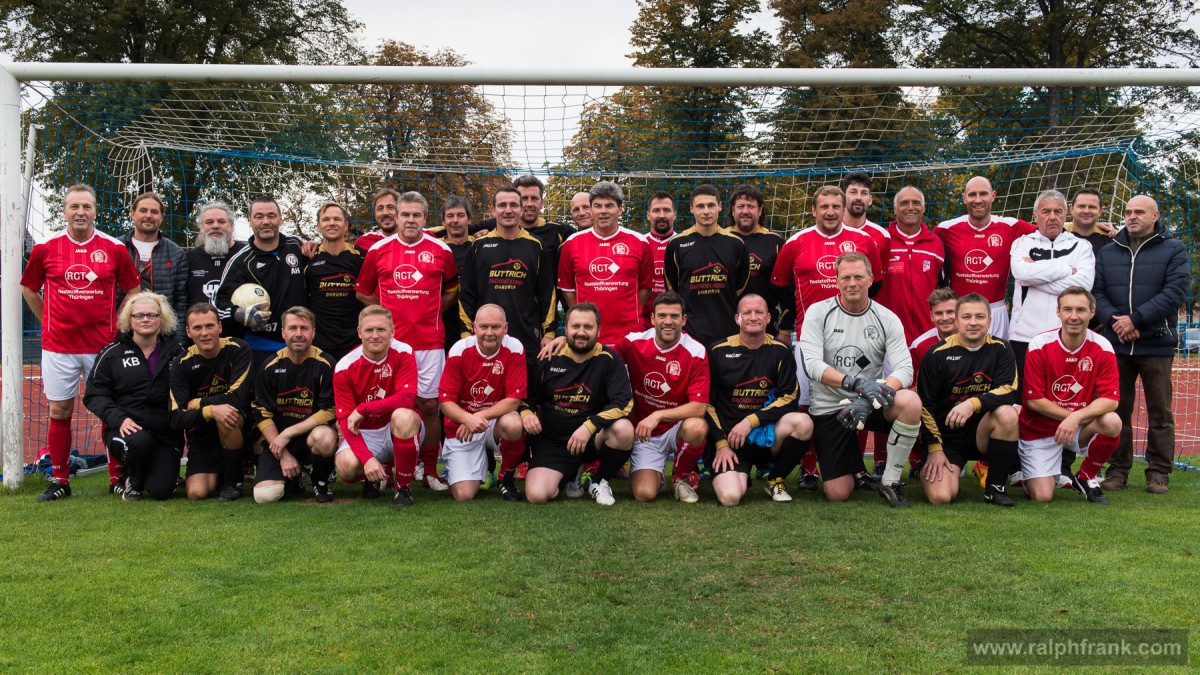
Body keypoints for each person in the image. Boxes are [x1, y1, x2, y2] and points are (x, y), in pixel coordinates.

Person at [21, 184, 141, 501]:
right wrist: (46, 320)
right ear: (64, 211)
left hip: (102, 347)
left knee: (108, 411)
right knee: (60, 410)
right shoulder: (46, 248)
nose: (80, 212)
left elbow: (133, 290)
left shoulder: (113, 248)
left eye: (86, 207)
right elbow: (29, 288)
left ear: (95, 211)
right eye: (74, 206)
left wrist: (119, 325)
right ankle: (59, 479)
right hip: (58, 345)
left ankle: (117, 476)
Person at [770, 185, 882, 489]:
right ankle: (809, 469)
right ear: (814, 210)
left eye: (836, 206)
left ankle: (857, 468)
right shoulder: (796, 243)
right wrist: (791, 322)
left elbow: (877, 283)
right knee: (807, 403)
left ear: (843, 208)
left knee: (857, 398)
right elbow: (781, 287)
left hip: (855, 337)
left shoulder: (864, 241)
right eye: (824, 207)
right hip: (810, 338)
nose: (830, 211)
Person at [798, 252, 922, 508]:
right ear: (836, 281)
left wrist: (869, 397)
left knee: (910, 401)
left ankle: (890, 482)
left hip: (872, 402)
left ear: (870, 279)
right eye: (845, 277)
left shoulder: (887, 317)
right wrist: (855, 384)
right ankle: (852, 466)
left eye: (858, 277)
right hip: (831, 408)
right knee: (837, 492)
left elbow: (905, 370)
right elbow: (812, 366)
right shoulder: (818, 312)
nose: (852, 283)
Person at [355, 190, 459, 492]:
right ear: (396, 217)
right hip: (391, 346)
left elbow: (452, 290)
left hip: (430, 342)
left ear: (425, 219)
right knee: (390, 406)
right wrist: (383, 319)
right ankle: (390, 468)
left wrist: (433, 311)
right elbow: (362, 291)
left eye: (416, 215)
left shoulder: (442, 250)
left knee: (428, 406)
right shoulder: (379, 250)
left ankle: (428, 470)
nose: (410, 220)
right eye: (405, 214)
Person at [1092, 195, 1190, 494]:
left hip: (1156, 343)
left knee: (1160, 412)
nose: (1132, 216)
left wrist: (1136, 320)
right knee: (1117, 410)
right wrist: (1116, 322)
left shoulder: (1174, 249)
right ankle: (1118, 470)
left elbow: (1175, 292)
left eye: (1138, 212)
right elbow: (1096, 292)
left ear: (1155, 216)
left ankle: (1158, 473)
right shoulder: (1110, 251)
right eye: (1127, 212)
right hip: (1117, 344)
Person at [521, 303, 634, 506]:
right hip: (555, 443)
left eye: (588, 327)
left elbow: (623, 403)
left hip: (592, 439)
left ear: (599, 330)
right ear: (567, 329)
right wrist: (526, 413)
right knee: (536, 495)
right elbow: (527, 398)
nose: (581, 332)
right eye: (575, 327)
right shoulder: (548, 357)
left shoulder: (609, 359)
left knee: (624, 430)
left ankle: (599, 480)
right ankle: (571, 473)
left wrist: (589, 426)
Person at [706, 294, 813, 506]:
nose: (753, 317)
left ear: (768, 318)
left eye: (759, 312)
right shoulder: (717, 351)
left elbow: (789, 398)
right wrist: (721, 443)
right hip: (731, 440)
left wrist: (750, 421)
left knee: (803, 423)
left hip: (766, 436)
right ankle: (739, 476)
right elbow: (706, 403)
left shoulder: (781, 352)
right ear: (737, 318)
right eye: (747, 312)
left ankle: (775, 479)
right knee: (730, 498)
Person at [915, 293, 1020, 506]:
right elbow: (925, 406)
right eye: (967, 317)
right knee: (941, 497)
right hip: (947, 440)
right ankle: (950, 472)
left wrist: (972, 403)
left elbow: (1008, 390)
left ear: (989, 321)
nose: (973, 322)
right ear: (957, 320)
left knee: (1008, 414)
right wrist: (935, 448)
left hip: (982, 433)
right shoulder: (936, 353)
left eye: (980, 317)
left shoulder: (1001, 349)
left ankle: (995, 487)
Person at [1018, 287, 1122, 504]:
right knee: (1042, 496)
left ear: (1092, 313)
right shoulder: (1040, 344)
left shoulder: (1102, 346)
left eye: (1081, 310)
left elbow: (1111, 399)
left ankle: (1086, 476)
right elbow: (1034, 400)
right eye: (1068, 309)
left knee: (1112, 421)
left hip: (1077, 427)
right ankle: (1033, 468)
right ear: (1058, 312)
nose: (1074, 316)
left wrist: (1075, 418)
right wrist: (1070, 416)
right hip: (1039, 429)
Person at [83, 292, 186, 501]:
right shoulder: (111, 353)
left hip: (164, 433)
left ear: (161, 318)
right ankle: (133, 479)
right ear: (129, 320)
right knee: (139, 441)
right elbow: (94, 394)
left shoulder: (178, 353)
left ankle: (159, 473)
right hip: (127, 429)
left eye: (151, 315)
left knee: (160, 491)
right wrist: (119, 418)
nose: (145, 319)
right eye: (138, 315)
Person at [610, 292, 710, 503]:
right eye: (662, 315)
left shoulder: (696, 351)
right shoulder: (632, 342)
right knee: (644, 494)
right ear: (653, 318)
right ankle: (655, 476)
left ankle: (681, 477)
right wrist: (563, 340)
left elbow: (699, 407)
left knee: (697, 427)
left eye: (674, 316)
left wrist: (658, 414)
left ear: (683, 320)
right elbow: (600, 359)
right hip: (646, 433)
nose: (668, 322)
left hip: (676, 428)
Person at [459, 186, 556, 380]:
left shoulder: (536, 245)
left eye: (513, 205)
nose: (508, 210)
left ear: (521, 209)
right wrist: (466, 333)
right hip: (486, 336)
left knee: (528, 397)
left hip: (527, 336)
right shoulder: (478, 246)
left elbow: (548, 293)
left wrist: (549, 334)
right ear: (493, 210)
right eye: (502, 205)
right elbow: (466, 294)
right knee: (486, 394)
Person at [332, 305, 425, 506]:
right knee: (346, 466)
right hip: (364, 431)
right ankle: (372, 477)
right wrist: (367, 459)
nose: (375, 335)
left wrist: (363, 409)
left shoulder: (404, 351)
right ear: (359, 333)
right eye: (369, 330)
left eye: (381, 330)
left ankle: (403, 487)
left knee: (404, 415)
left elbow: (407, 399)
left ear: (392, 332)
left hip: (398, 427)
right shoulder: (344, 366)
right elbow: (346, 421)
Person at [438, 304, 528, 502]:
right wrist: (466, 418)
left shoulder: (514, 347)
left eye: (495, 327)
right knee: (464, 495)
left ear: (505, 328)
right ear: (474, 327)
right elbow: (445, 402)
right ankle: (476, 467)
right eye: (484, 327)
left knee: (513, 424)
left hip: (493, 421)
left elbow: (514, 400)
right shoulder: (459, 350)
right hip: (462, 426)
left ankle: (505, 477)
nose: (489, 333)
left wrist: (477, 416)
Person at [250, 307, 338, 504]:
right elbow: (262, 413)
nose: (298, 334)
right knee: (265, 496)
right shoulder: (269, 366)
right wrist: (283, 453)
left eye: (304, 328)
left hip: (310, 437)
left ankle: (320, 480)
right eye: (292, 328)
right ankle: (295, 478)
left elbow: (329, 411)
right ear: (283, 332)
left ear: (313, 332)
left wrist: (288, 433)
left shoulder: (326, 363)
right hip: (279, 443)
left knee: (324, 437)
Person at [168, 303, 253, 501]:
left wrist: (197, 403)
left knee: (227, 415)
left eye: (209, 326)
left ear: (220, 327)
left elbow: (237, 398)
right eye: (197, 328)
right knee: (197, 493)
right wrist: (210, 411)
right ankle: (222, 471)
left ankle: (233, 481)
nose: (204, 333)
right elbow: (175, 417)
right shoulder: (181, 364)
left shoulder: (239, 349)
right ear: (188, 332)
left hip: (237, 423)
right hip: (202, 432)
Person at [935, 176, 1036, 339]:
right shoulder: (946, 229)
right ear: (964, 198)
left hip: (995, 311)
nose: (978, 200)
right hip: (960, 312)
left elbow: (1046, 231)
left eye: (983, 194)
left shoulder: (1011, 226)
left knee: (995, 363)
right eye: (972, 194)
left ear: (993, 196)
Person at [215, 195, 309, 369]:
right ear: (250, 220)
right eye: (259, 216)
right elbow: (219, 303)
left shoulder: (296, 246)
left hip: (300, 343)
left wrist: (315, 246)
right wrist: (238, 313)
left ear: (280, 219)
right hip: (260, 347)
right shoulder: (241, 261)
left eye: (271, 216)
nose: (266, 221)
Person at [1009, 189, 1095, 377]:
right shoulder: (1021, 243)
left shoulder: (1081, 246)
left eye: (1058, 212)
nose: (1052, 217)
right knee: (1023, 400)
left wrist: (1035, 277)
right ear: (1035, 216)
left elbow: (1082, 287)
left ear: (1066, 215)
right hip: (1024, 337)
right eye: (1046, 211)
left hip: (1067, 337)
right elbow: (1022, 273)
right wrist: (1066, 269)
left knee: (1063, 396)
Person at [557, 181, 653, 345]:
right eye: (597, 206)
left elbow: (645, 288)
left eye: (609, 206)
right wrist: (583, 316)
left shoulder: (640, 242)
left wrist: (628, 311)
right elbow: (567, 290)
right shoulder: (571, 243)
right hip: (588, 336)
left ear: (620, 209)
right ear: (591, 209)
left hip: (630, 334)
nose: (603, 211)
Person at [664, 184, 750, 348]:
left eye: (711, 205)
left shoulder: (736, 244)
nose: (706, 211)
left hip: (728, 333)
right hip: (688, 335)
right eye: (700, 206)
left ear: (719, 207)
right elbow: (672, 291)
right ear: (691, 209)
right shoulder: (676, 244)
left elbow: (741, 290)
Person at [874, 186, 945, 345]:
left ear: (924, 207)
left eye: (916, 203)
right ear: (895, 208)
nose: (911, 207)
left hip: (926, 334)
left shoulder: (937, 244)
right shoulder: (881, 240)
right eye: (904, 203)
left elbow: (941, 286)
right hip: (887, 334)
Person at [305, 201, 365, 363]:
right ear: (318, 226)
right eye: (326, 219)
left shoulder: (361, 256)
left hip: (355, 342)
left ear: (346, 226)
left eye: (337, 219)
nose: (331, 223)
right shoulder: (308, 257)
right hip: (320, 343)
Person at [118, 191, 188, 324]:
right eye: (143, 210)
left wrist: (179, 339)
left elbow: (181, 302)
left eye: (154, 212)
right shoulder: (115, 247)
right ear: (132, 214)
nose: (148, 216)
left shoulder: (176, 254)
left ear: (161, 217)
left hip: (161, 333)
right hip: (121, 331)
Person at [727, 184, 788, 337]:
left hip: (766, 327)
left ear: (760, 211)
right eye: (740, 206)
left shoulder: (775, 243)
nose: (745, 211)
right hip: (726, 325)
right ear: (733, 211)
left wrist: (786, 330)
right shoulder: (720, 240)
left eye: (751, 206)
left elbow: (787, 291)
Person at [185, 201, 245, 337]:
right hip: (200, 338)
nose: (215, 226)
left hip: (240, 337)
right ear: (201, 228)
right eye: (209, 222)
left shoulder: (246, 255)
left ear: (232, 226)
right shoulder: (190, 258)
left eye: (221, 221)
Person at [435, 196, 475, 351]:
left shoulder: (480, 245)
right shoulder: (436, 248)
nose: (455, 220)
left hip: (474, 319)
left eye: (460, 215)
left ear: (469, 219)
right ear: (443, 222)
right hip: (444, 319)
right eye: (450, 216)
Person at [841, 172, 891, 282]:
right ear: (844, 197)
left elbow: (880, 275)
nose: (859, 197)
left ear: (870, 200)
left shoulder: (883, 235)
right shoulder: (831, 231)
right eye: (853, 192)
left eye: (864, 193)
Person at [641, 191, 678, 326]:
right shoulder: (639, 243)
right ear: (648, 215)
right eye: (656, 210)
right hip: (643, 320)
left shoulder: (684, 243)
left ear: (674, 215)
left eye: (667, 210)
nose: (662, 215)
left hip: (675, 320)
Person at [1066, 187, 1113, 258]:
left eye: (1092, 207)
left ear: (1100, 211)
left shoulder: (1110, 240)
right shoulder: (1056, 235)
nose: (1086, 211)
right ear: (1071, 209)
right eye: (1081, 206)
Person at [356, 187, 402, 252]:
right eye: (380, 209)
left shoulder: (414, 238)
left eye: (391, 207)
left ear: (401, 211)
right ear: (375, 215)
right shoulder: (364, 241)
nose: (385, 213)